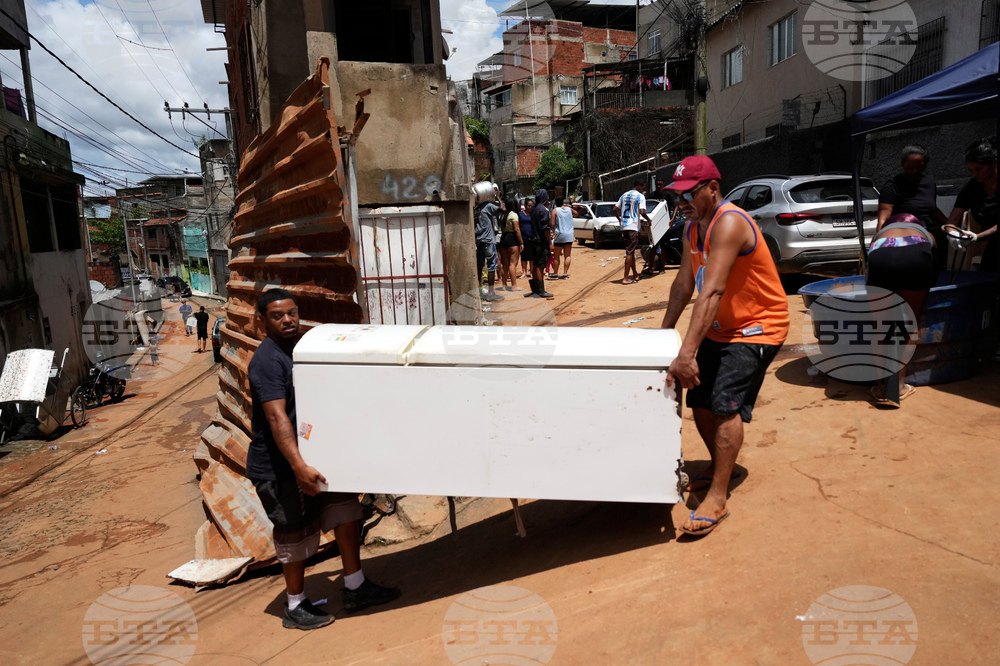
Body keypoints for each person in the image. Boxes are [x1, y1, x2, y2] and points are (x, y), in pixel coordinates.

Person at [247, 289, 400, 630]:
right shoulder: (267, 360)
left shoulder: (303, 349)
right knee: (294, 532)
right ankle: (295, 605)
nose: (287, 320)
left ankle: (355, 586)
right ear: (262, 320)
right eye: (277, 315)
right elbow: (276, 418)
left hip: (320, 456)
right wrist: (299, 466)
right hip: (280, 467)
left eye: (291, 312)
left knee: (346, 512)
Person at [660, 156, 789, 537]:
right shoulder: (691, 230)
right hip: (722, 329)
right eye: (677, 195)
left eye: (689, 194)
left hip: (757, 329)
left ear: (713, 189)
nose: (681, 202)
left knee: (724, 402)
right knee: (698, 402)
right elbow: (685, 285)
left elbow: (712, 290)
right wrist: (661, 335)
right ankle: (722, 468)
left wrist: (686, 353)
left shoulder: (729, 223)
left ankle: (718, 496)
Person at [866, 213, 937, 407]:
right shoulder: (925, 234)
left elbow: (868, 268)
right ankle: (898, 387)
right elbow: (935, 263)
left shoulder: (880, 234)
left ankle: (881, 387)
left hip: (881, 255)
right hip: (916, 255)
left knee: (880, 326)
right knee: (910, 323)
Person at [947, 138, 999, 274]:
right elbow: (952, 221)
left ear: (994, 163)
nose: (975, 174)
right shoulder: (972, 188)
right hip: (993, 247)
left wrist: (976, 238)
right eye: (971, 170)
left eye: (979, 169)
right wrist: (953, 234)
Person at [614, 180, 652, 285]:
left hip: (624, 227)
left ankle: (635, 274)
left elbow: (614, 209)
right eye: (643, 187)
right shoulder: (640, 196)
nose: (644, 190)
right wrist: (648, 220)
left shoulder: (624, 195)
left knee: (631, 251)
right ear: (639, 186)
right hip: (633, 226)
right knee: (630, 252)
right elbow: (642, 211)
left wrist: (620, 220)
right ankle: (625, 278)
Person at [523, 189, 554, 299]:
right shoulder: (543, 210)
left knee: (535, 265)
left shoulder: (534, 208)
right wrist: (550, 242)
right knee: (540, 266)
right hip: (541, 241)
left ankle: (535, 290)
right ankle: (541, 291)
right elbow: (545, 228)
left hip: (533, 241)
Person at [475, 198, 505, 302]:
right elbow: (503, 209)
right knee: (492, 266)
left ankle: (478, 292)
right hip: (488, 240)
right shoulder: (487, 206)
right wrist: (499, 198)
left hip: (479, 240)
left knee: (479, 266)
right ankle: (491, 293)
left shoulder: (476, 208)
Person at [498, 197, 524, 291]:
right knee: (512, 264)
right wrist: (521, 242)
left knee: (505, 264)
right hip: (512, 239)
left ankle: (504, 285)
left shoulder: (503, 215)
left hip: (503, 238)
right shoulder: (514, 215)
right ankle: (514, 286)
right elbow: (517, 230)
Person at [551, 197, 575, 279]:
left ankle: (555, 274)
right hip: (569, 235)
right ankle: (565, 274)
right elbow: (576, 214)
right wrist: (569, 206)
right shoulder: (569, 209)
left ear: (556, 203)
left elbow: (552, 224)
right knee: (567, 255)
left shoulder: (555, 211)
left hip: (560, 234)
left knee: (556, 255)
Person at [518, 200, 534, 278]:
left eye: (531, 205)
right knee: (523, 256)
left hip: (532, 237)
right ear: (525, 206)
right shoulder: (520, 214)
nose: (530, 207)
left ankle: (531, 271)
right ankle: (524, 272)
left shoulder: (534, 214)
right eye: (529, 206)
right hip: (523, 237)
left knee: (532, 256)